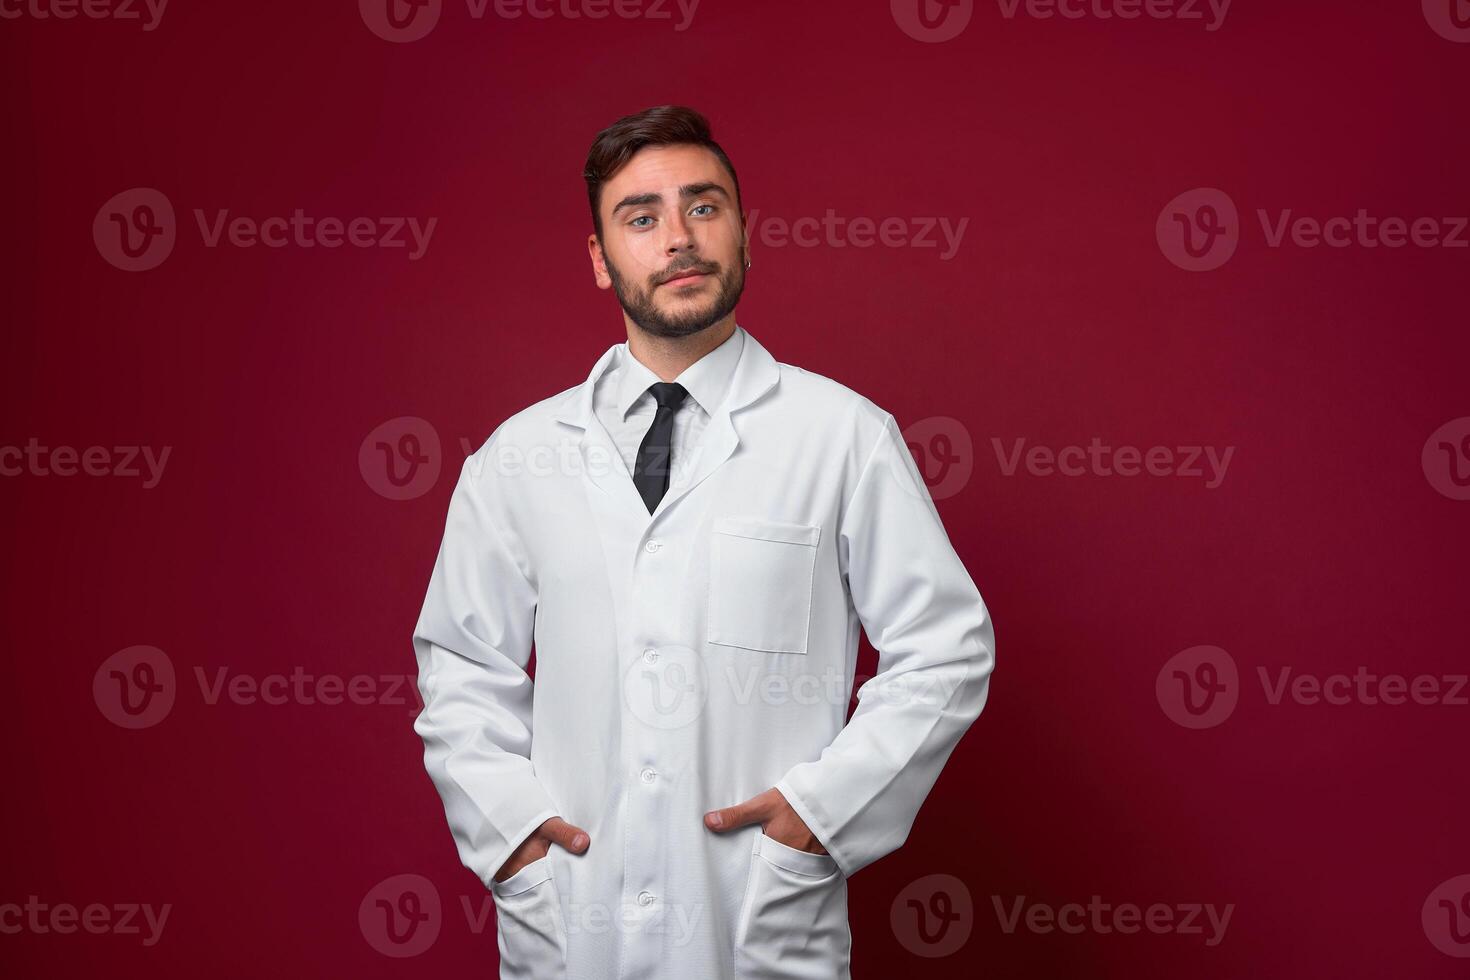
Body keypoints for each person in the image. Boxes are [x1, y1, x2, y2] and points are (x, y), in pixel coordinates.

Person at [412, 104, 995, 980]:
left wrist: (821, 816)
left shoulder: (840, 436)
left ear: (745, 234)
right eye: (640, 218)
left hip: (756, 914)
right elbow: (460, 665)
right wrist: (512, 838)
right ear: (601, 262)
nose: (678, 237)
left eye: (704, 206)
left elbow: (945, 652)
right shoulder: (519, 457)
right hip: (575, 918)